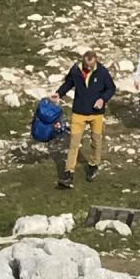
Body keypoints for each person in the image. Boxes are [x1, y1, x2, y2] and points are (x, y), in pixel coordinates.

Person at [55, 50, 116, 188]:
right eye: (87, 66)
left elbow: (111, 88)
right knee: (73, 143)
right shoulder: (76, 70)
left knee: (96, 140)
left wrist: (102, 99)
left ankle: (93, 165)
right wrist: (58, 94)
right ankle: (68, 173)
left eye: (91, 66)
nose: (89, 68)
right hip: (79, 112)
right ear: (83, 61)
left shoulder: (102, 72)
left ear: (95, 61)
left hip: (96, 113)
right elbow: (68, 83)